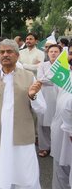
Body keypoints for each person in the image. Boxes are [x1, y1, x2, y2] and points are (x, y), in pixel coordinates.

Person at [0, 39, 46, 189]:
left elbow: (41, 109)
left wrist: (32, 96)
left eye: (9, 52)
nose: (5, 55)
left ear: (17, 55)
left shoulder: (29, 77)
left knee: (25, 176)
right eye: (2, 52)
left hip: (21, 137)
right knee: (0, 176)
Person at [50, 44, 72, 188]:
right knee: (60, 170)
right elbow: (60, 103)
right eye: (70, 53)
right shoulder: (62, 75)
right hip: (61, 129)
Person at [36, 44, 62, 158]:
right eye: (51, 51)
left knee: (57, 123)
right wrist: (54, 77)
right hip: (44, 95)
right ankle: (44, 147)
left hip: (59, 96)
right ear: (48, 53)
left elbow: (61, 81)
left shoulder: (64, 66)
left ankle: (56, 147)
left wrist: (48, 78)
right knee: (42, 122)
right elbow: (40, 79)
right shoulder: (42, 65)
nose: (53, 53)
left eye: (56, 51)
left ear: (60, 53)